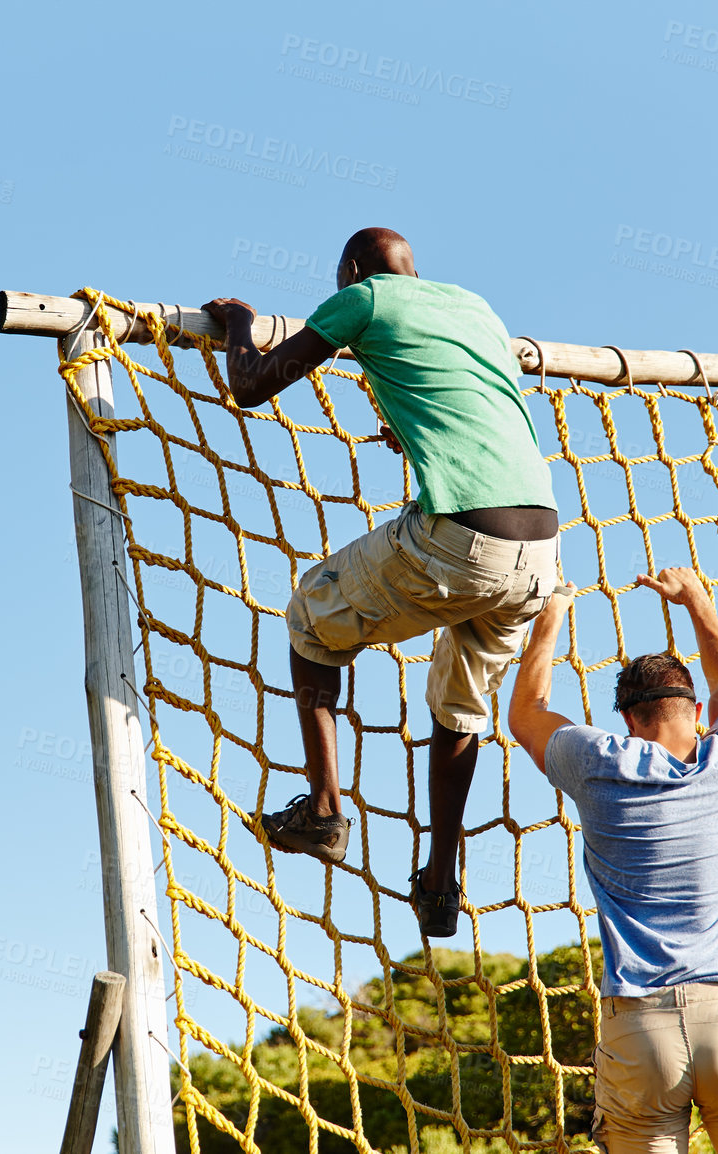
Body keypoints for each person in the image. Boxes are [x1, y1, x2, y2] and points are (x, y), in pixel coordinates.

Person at [201, 226, 559, 938]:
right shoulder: (474, 309)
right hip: (539, 552)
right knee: (459, 707)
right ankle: (439, 879)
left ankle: (324, 809)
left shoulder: (362, 298)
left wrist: (239, 323)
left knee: (310, 616)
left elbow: (250, 385)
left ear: (355, 270)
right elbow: (463, 401)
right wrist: (405, 424)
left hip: (460, 537)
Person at [506, 568, 718, 1154]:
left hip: (641, 1027)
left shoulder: (597, 763)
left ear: (630, 721)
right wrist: (696, 600)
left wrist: (552, 614)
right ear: (694, 710)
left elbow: (527, 712)